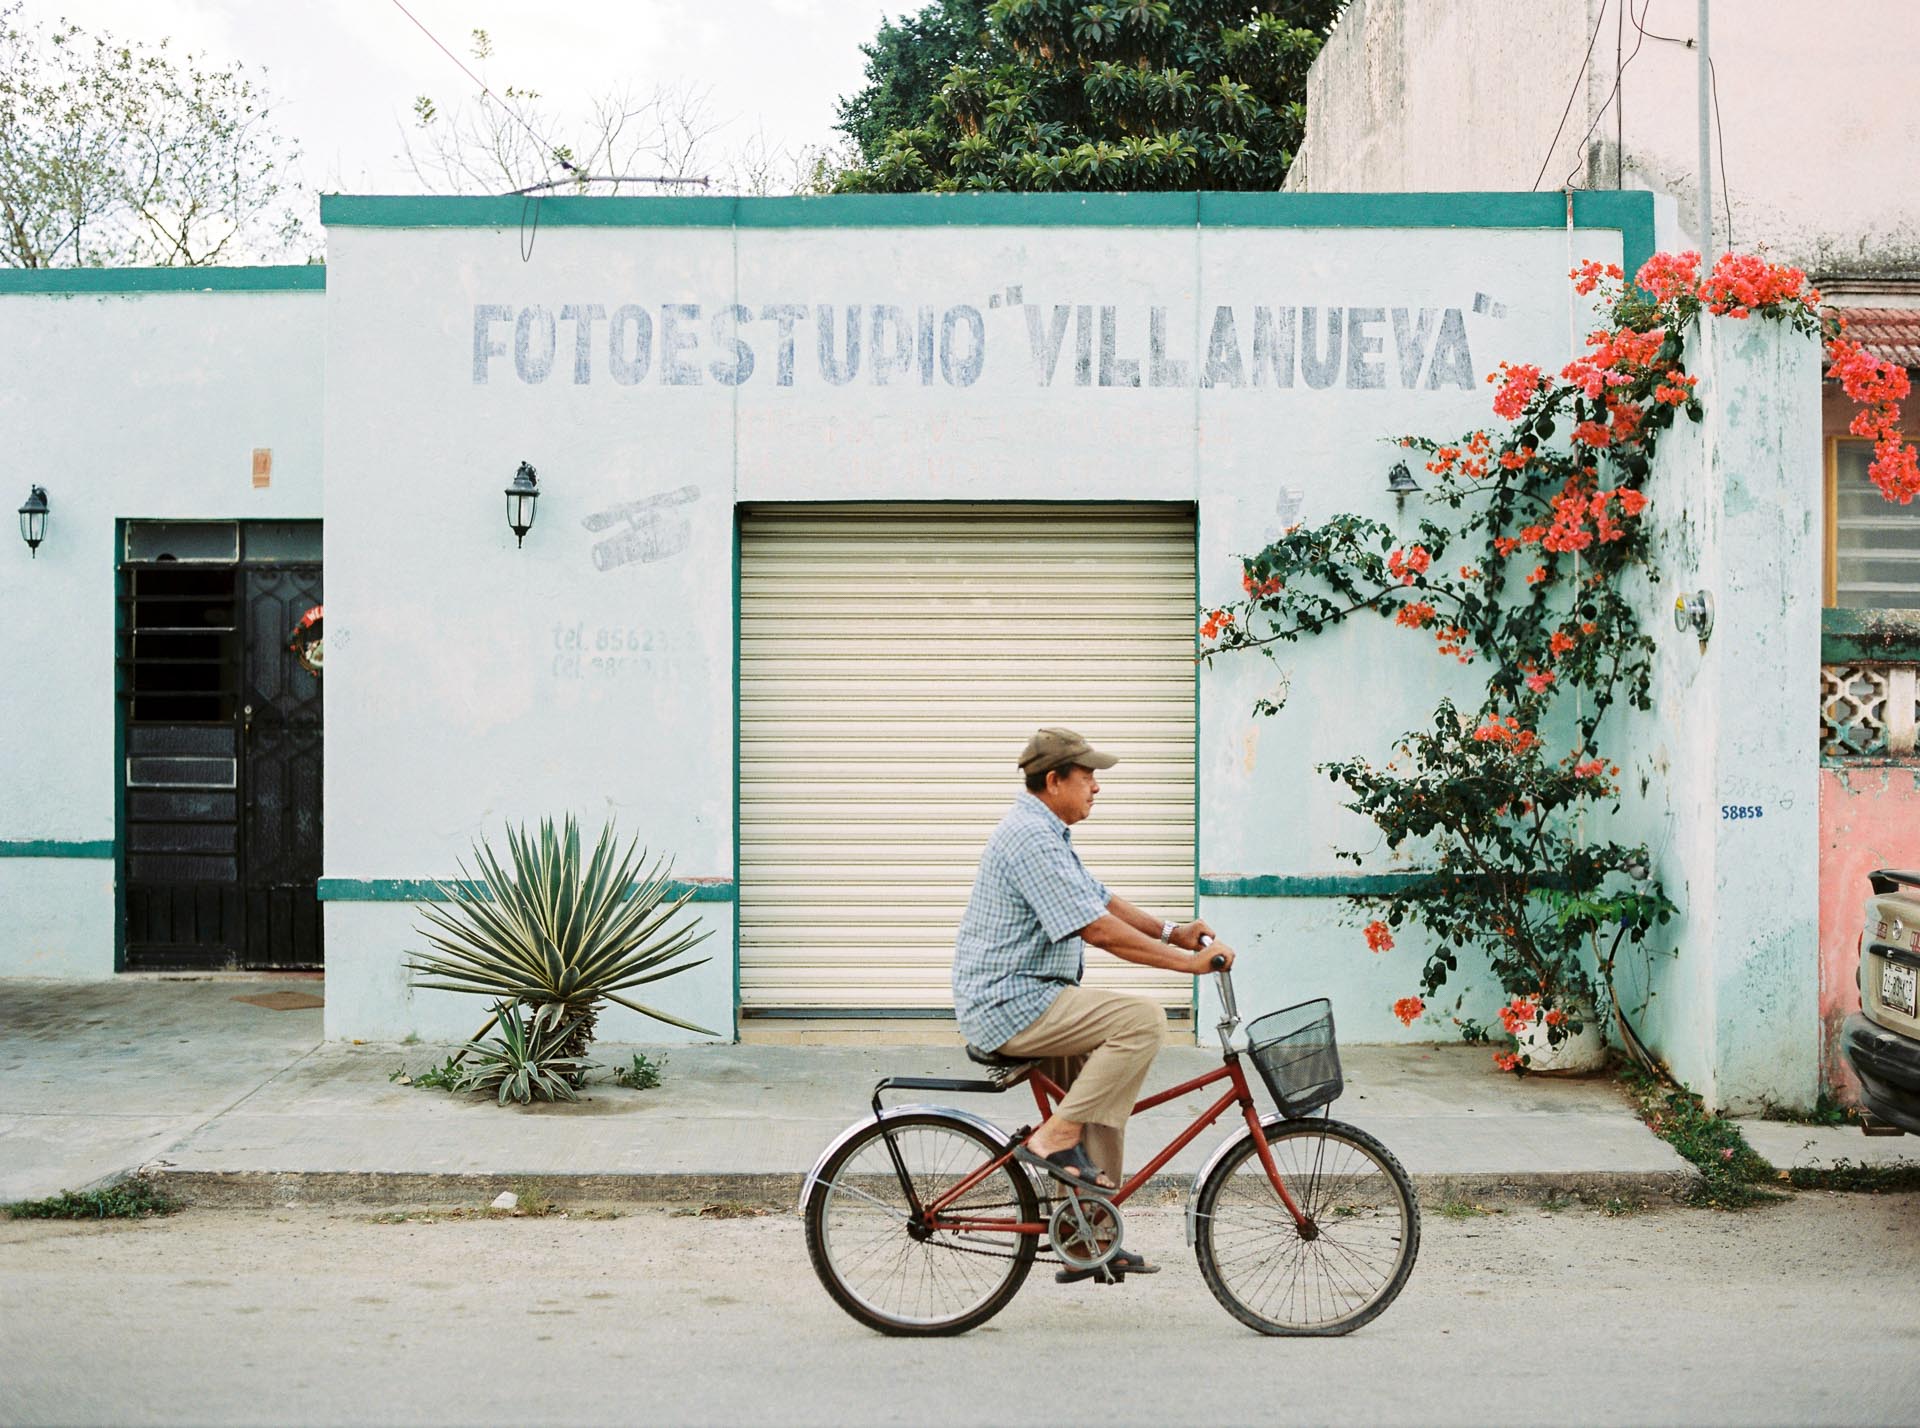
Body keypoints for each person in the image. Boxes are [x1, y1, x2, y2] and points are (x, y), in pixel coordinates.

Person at [951, 726, 1235, 1282]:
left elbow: (1099, 896)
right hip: (1011, 1002)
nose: (1096, 789)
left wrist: (1174, 931)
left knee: (1102, 1098)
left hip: (1033, 997)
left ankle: (1089, 1239)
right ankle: (1055, 1138)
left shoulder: (1046, 833)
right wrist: (1188, 966)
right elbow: (1097, 930)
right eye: (1088, 778)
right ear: (1053, 781)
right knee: (1143, 1020)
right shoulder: (1030, 839)